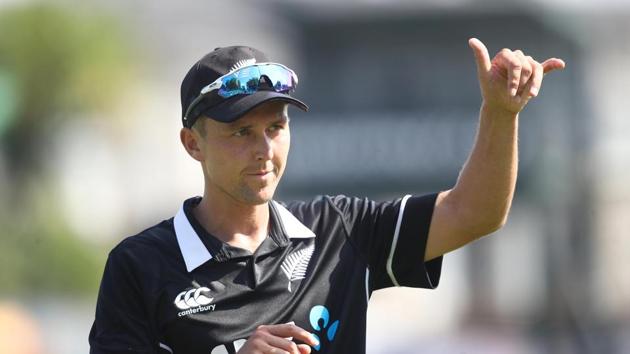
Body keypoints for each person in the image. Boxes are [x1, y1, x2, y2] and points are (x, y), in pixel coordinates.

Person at [89, 40, 565, 354]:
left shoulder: (340, 228)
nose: (263, 150)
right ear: (193, 143)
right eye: (240, 132)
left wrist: (501, 114)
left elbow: (474, 212)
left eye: (276, 127)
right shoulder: (138, 266)